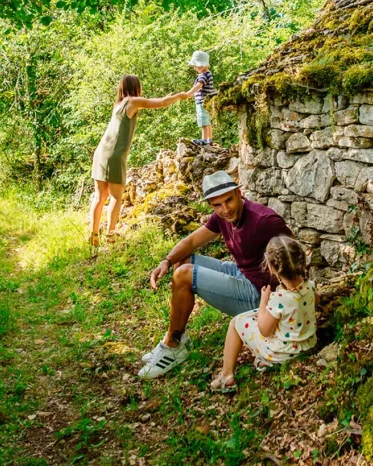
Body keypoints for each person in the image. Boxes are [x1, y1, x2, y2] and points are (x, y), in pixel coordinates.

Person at [139, 170, 292, 379]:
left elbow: (294, 255)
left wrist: (293, 301)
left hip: (261, 296)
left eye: (229, 200)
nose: (225, 209)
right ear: (211, 205)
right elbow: (192, 242)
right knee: (182, 261)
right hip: (243, 274)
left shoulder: (264, 221)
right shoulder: (222, 217)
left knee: (184, 274)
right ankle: (176, 338)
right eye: (217, 205)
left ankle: (172, 348)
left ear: (239, 193)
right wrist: (166, 261)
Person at [90, 75, 191, 255]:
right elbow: (161, 103)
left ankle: (93, 235)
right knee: (116, 197)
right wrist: (178, 96)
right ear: (135, 87)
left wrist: (167, 98)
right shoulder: (133, 101)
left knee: (100, 196)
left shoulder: (119, 104)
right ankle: (110, 237)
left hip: (100, 153)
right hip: (114, 155)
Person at [211, 235, 316, 392]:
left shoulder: (280, 299)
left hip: (284, 352)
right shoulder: (310, 286)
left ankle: (226, 376)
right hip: (308, 344)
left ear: (272, 268)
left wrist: (264, 302)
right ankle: (264, 362)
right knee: (256, 317)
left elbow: (264, 330)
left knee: (237, 322)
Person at [186, 50, 215, 146]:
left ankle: (204, 140)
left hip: (202, 102)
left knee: (203, 121)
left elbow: (199, 86)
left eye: (196, 65)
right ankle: (209, 139)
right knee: (207, 121)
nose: (194, 68)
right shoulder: (207, 74)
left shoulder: (204, 75)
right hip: (206, 101)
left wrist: (189, 93)